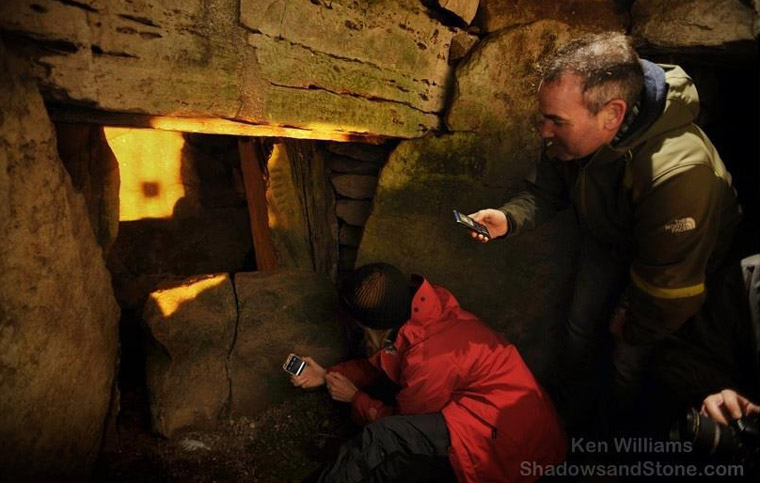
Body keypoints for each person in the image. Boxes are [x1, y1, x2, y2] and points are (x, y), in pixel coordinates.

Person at [468, 32, 747, 434]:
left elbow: (671, 289)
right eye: (544, 117)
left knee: (629, 359)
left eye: (556, 121)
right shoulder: (575, 134)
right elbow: (546, 191)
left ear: (612, 115)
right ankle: (570, 416)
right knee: (580, 329)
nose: (545, 131)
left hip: (671, 273)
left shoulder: (679, 174)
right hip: (612, 239)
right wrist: (508, 218)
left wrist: (632, 323)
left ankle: (614, 437)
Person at [292, 262, 566, 483]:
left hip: (514, 447)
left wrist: (356, 399)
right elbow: (385, 361)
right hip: (514, 420)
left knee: (382, 441)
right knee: (387, 462)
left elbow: (401, 426)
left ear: (372, 327)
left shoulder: (429, 359)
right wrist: (327, 374)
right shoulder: (422, 311)